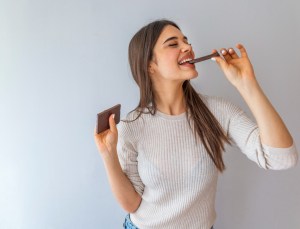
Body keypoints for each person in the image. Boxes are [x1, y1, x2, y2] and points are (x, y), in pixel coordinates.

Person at [94, 19, 298, 229]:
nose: (188, 47)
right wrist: (108, 155)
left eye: (186, 41)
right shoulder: (131, 127)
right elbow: (131, 204)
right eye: (173, 44)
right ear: (149, 65)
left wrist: (246, 83)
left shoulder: (217, 112)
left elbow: (283, 158)